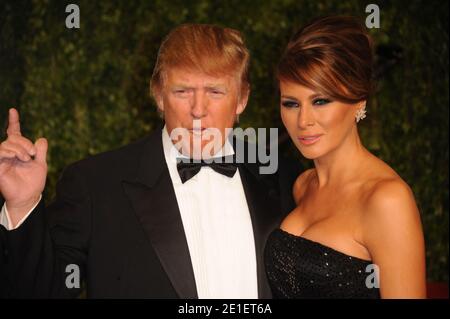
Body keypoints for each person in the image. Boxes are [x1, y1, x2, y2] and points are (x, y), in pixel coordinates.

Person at [0, 24, 298, 298]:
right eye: (182, 91)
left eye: (215, 91)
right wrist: (22, 206)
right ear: (158, 95)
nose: (198, 110)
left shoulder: (283, 176)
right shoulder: (95, 184)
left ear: (242, 99)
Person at [264, 16, 426, 299]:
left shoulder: (387, 200)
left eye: (321, 101)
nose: (304, 120)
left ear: (359, 101)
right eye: (291, 103)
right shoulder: (303, 186)